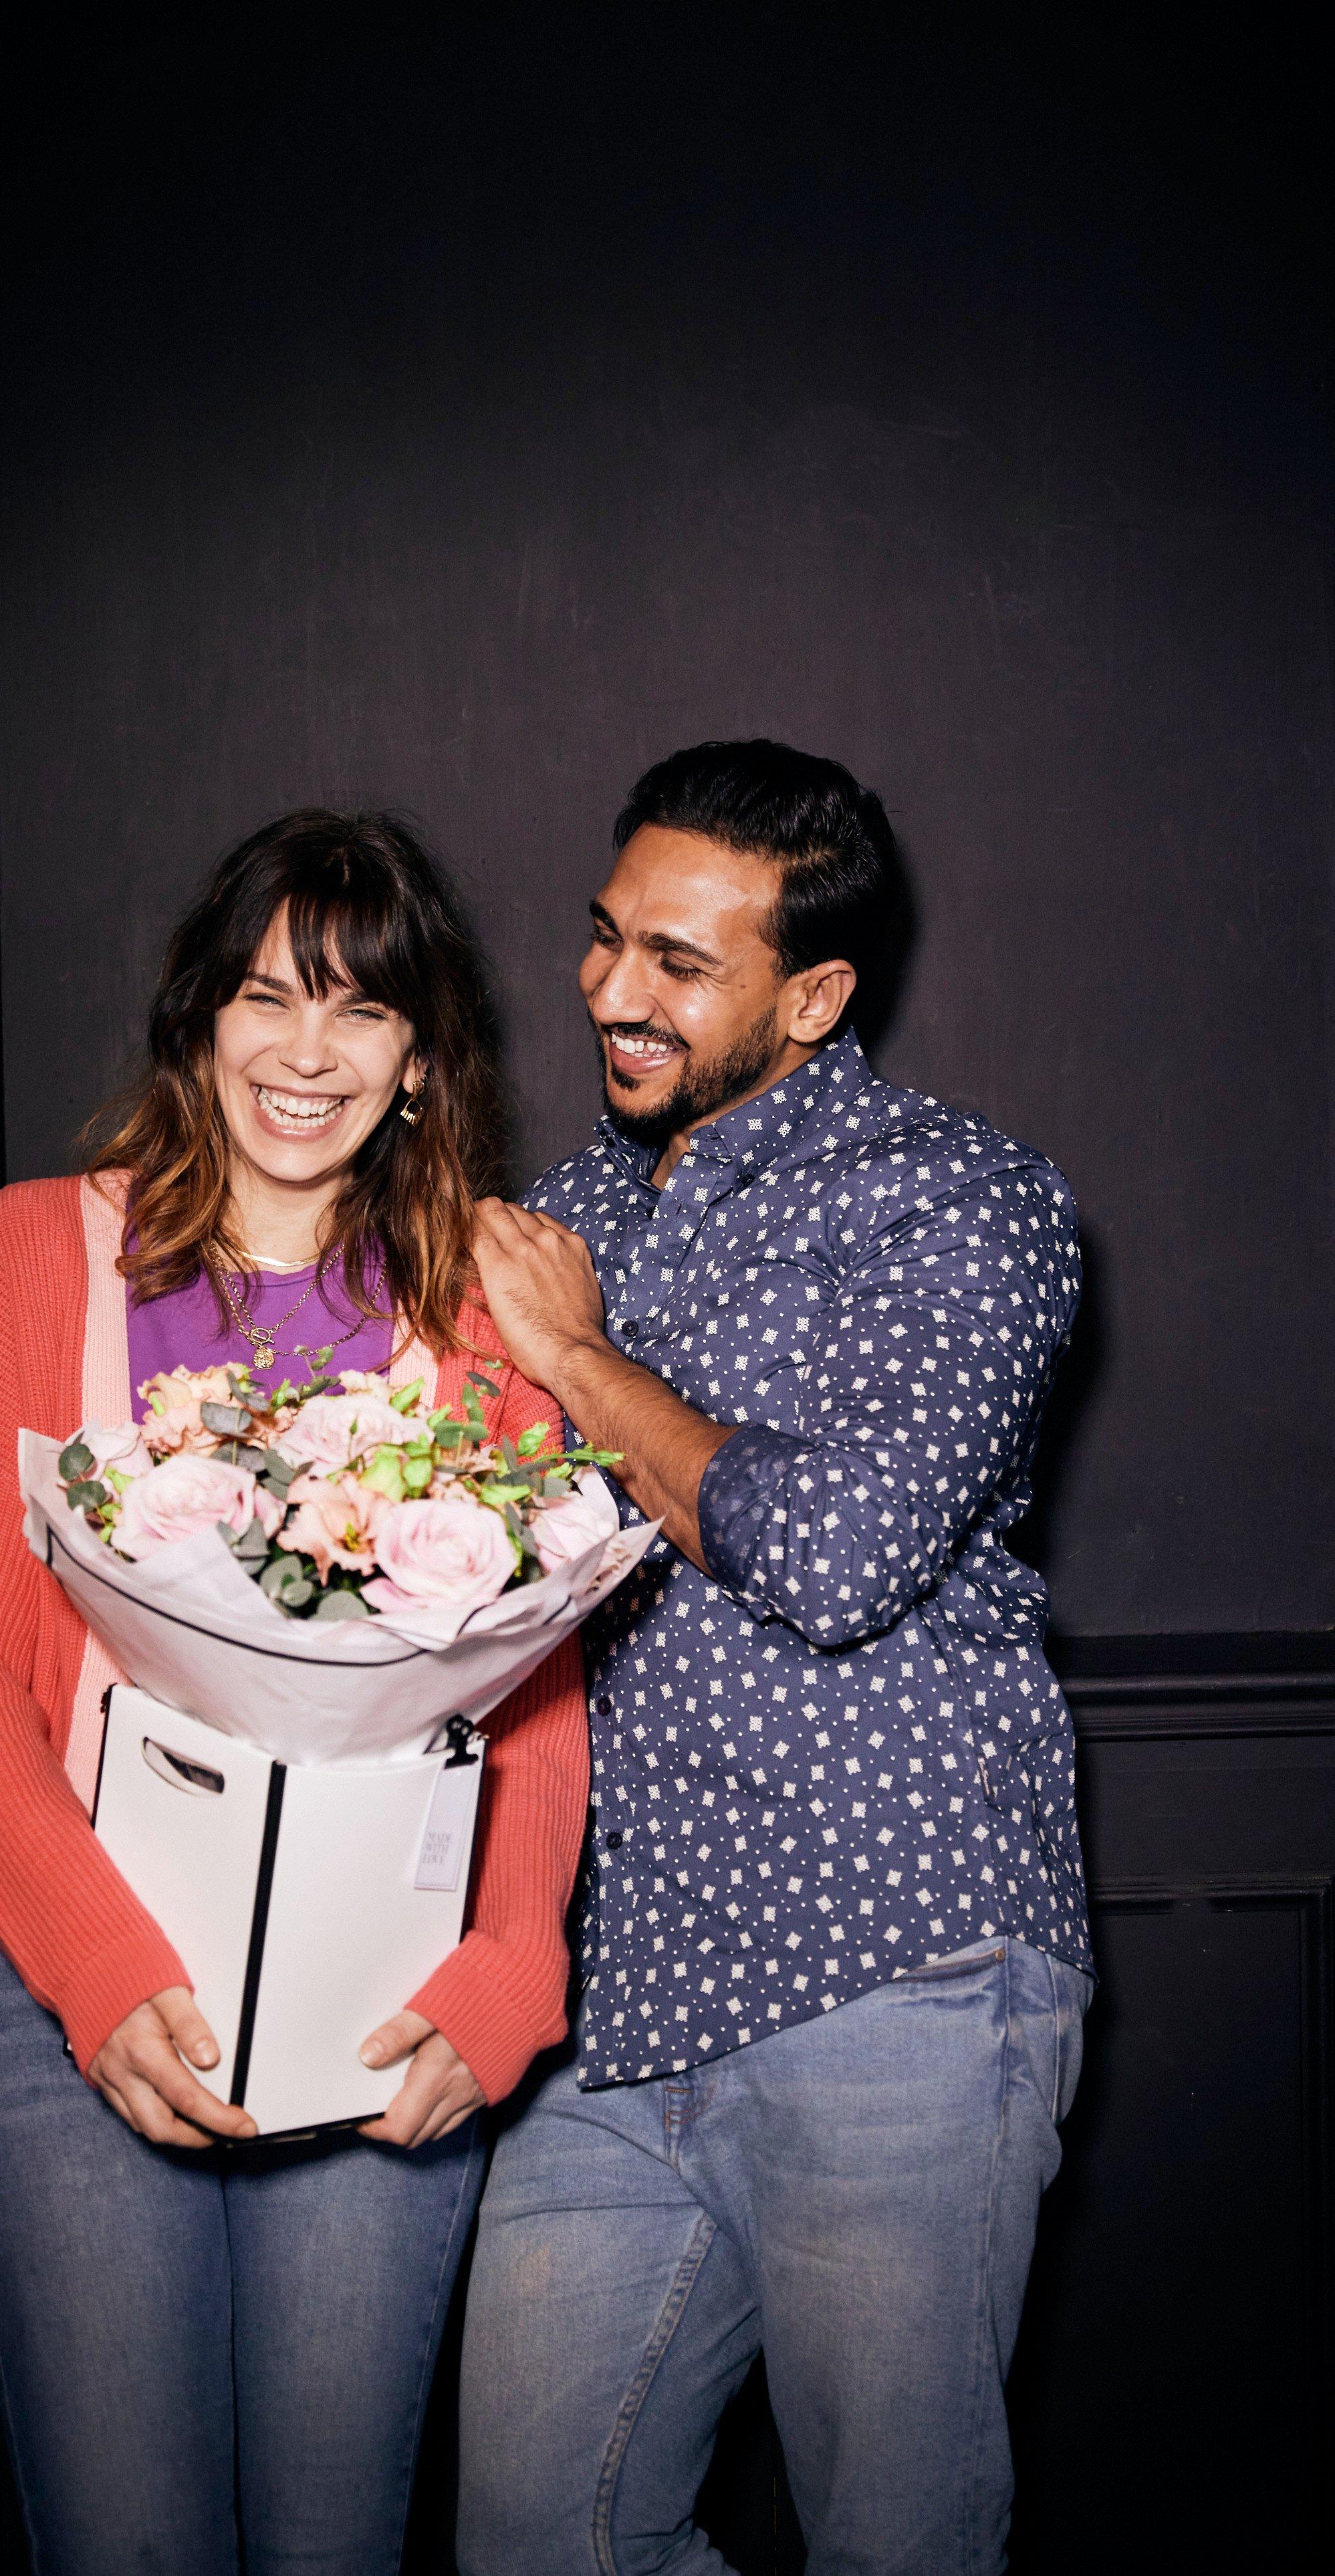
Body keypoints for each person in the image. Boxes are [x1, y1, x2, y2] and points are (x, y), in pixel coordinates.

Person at [0, 811, 589, 2576]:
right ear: (202, 1016)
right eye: (270, 995)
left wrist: (511, 1967)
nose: (308, 1049)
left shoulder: (478, 1305)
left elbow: (535, 1692)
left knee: (330, 2545)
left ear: (419, 1055)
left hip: (382, 1989)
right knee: (125, 2542)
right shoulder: (28, 1258)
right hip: (79, 1972)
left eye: (362, 1007)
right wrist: (95, 1967)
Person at [460, 738, 1094, 2576]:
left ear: (811, 997)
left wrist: (580, 1364)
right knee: (535, 2540)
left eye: (679, 961)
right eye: (605, 937)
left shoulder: (963, 1199)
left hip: (893, 1977)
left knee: (896, 2544)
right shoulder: (569, 1211)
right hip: (617, 1999)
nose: (611, 989)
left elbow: (833, 1554)